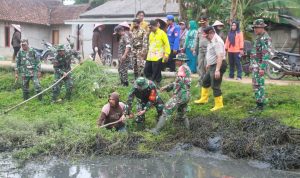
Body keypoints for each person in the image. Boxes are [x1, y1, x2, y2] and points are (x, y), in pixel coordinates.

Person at [150, 53, 191, 135]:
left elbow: (178, 83)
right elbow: (179, 82)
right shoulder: (187, 69)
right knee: (182, 114)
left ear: (182, 61)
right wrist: (167, 87)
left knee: (166, 109)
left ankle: (156, 130)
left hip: (180, 95)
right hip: (186, 95)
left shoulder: (182, 68)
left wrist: (175, 94)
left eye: (177, 60)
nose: (175, 62)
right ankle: (188, 131)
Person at [194, 26, 227, 111]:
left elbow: (220, 56)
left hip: (218, 65)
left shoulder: (217, 42)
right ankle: (204, 99)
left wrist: (217, 70)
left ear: (211, 33)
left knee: (215, 85)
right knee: (205, 81)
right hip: (212, 65)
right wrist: (208, 63)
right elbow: (211, 53)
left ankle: (219, 104)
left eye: (206, 36)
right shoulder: (210, 40)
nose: (206, 38)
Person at [249, 19, 272, 112]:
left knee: (259, 85)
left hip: (259, 67)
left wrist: (262, 68)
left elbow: (266, 54)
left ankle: (260, 106)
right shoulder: (259, 37)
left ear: (262, 27)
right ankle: (259, 103)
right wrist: (252, 64)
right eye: (254, 28)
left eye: (256, 28)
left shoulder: (265, 38)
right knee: (256, 85)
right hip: (256, 66)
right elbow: (255, 52)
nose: (255, 29)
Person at [144, 20, 170, 86]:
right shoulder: (151, 34)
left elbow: (167, 44)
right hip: (150, 55)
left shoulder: (162, 33)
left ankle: (157, 83)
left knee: (156, 71)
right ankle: (149, 83)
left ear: (155, 26)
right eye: (149, 28)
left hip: (158, 55)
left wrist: (166, 54)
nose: (150, 29)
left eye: (151, 27)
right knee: (146, 69)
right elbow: (149, 44)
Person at [193, 15, 209, 86]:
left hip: (208, 50)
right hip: (200, 50)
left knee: (206, 65)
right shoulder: (199, 29)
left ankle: (207, 81)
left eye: (203, 22)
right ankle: (200, 81)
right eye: (201, 23)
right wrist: (194, 49)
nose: (202, 24)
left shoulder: (210, 29)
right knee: (200, 65)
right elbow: (196, 40)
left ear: (206, 21)